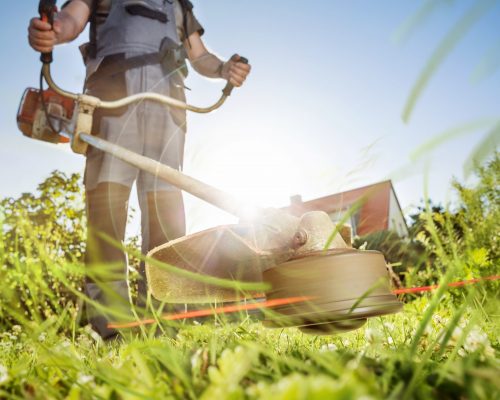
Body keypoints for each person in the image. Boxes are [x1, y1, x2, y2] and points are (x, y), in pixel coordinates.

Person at [28, 0, 251, 339]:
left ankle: (167, 328)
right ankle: (112, 332)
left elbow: (199, 55)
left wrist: (223, 69)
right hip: (113, 100)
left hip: (169, 107)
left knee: (168, 221)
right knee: (107, 217)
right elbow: (70, 19)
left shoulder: (178, 4)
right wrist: (54, 32)